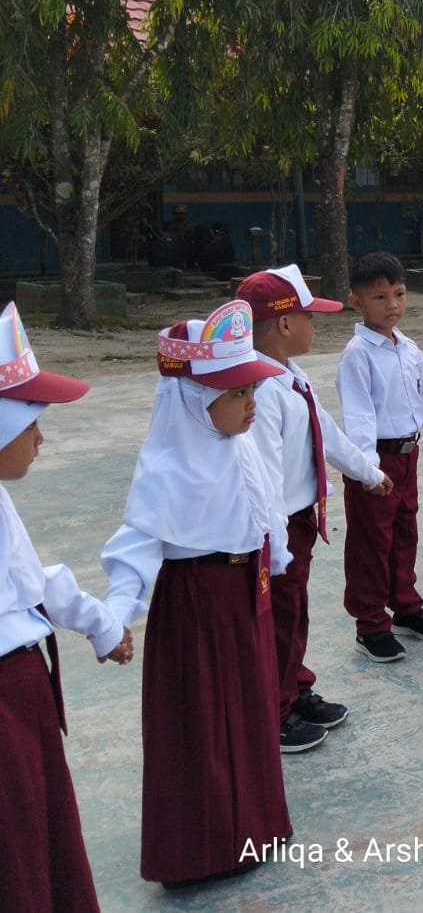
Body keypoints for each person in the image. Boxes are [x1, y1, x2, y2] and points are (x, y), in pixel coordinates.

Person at [100, 300, 291, 887]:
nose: (250, 403)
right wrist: (116, 615)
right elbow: (136, 544)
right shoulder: (168, 466)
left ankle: (253, 825)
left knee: (250, 710)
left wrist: (276, 561)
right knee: (205, 722)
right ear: (193, 402)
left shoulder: (241, 447)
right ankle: (202, 845)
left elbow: (263, 512)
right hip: (199, 605)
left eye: (250, 391)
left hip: (244, 595)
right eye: (236, 395)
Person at [0, 303, 132, 911]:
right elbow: (41, 584)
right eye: (32, 423)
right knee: (23, 837)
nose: (41, 438)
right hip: (10, 690)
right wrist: (105, 625)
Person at [237, 264, 390, 754]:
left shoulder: (291, 375)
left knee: (295, 612)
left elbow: (327, 433)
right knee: (280, 616)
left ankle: (294, 686)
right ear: (283, 325)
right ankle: (274, 712)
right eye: (309, 317)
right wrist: (275, 543)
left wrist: (368, 471)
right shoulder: (260, 389)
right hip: (277, 528)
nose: (314, 325)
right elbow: (261, 476)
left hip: (300, 520)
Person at [336, 251, 423, 663]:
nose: (392, 305)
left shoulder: (406, 346)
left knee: (404, 533)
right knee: (371, 544)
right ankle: (371, 624)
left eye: (398, 294)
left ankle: (405, 606)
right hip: (377, 461)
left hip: (408, 457)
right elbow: (359, 413)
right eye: (379, 298)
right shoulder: (357, 354)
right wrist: (367, 468)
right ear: (356, 302)